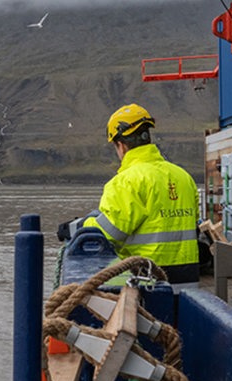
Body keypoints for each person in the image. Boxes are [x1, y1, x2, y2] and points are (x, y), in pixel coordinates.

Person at [83, 103, 200, 292]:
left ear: (120, 145)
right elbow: (193, 225)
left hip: (148, 285)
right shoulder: (183, 177)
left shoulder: (126, 182)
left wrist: (82, 226)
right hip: (188, 286)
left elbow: (108, 234)